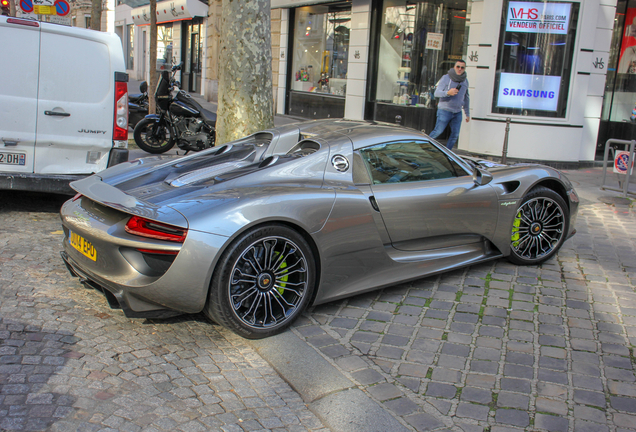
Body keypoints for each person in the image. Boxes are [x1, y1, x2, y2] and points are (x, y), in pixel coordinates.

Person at [428, 60, 470, 150]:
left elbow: (466, 97)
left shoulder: (465, 81)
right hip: (445, 110)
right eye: (458, 67)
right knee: (438, 131)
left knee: (455, 135)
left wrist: (467, 113)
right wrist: (448, 93)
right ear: (454, 67)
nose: (460, 69)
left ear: (464, 69)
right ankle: (424, 148)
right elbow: (436, 93)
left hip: (457, 112)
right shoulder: (446, 78)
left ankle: (448, 153)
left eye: (462, 67)